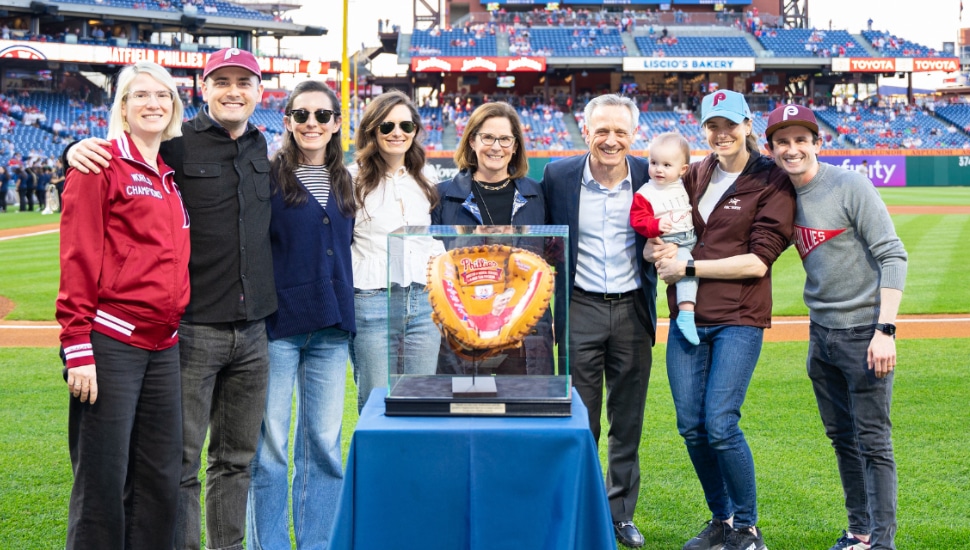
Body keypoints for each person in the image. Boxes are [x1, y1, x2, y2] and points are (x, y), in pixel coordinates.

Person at [65, 47, 276, 550]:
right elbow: (82, 246)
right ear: (203, 91)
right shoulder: (159, 152)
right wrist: (73, 149)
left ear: (258, 93)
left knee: (200, 465)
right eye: (220, 81)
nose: (233, 91)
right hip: (161, 333)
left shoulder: (252, 147)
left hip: (211, 336)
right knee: (143, 469)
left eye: (243, 82)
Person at [648, 90, 795, 550]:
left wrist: (687, 268)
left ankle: (748, 529)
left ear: (748, 125)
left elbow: (758, 261)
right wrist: (657, 246)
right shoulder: (696, 172)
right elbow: (668, 226)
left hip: (738, 316)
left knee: (720, 422)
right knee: (690, 424)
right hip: (688, 316)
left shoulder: (772, 180)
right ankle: (722, 520)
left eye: (730, 124)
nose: (721, 134)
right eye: (713, 126)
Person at [57, 60, 189, 550]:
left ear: (174, 106)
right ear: (123, 108)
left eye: (162, 95)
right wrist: (77, 346)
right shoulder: (100, 164)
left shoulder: (169, 177)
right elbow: (77, 257)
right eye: (140, 95)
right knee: (101, 480)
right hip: (112, 342)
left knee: (158, 482)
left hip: (165, 346)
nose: (152, 103)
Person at [765, 104, 906, 550]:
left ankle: (882, 543)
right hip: (820, 334)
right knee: (842, 439)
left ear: (817, 143)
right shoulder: (780, 195)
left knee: (873, 442)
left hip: (864, 332)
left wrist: (885, 330)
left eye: (801, 139)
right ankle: (859, 531)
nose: (793, 149)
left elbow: (893, 255)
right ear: (771, 149)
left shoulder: (850, 185)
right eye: (783, 142)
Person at [541, 93, 657, 549]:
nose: (611, 140)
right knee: (579, 420)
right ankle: (580, 510)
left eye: (620, 132)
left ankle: (619, 515)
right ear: (585, 131)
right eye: (602, 130)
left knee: (627, 421)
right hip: (580, 305)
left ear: (634, 135)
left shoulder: (651, 175)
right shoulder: (559, 175)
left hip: (632, 309)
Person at [246, 81, 355, 549]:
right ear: (288, 120)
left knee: (325, 448)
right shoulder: (265, 176)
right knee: (268, 451)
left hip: (331, 331)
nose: (313, 123)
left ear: (335, 123)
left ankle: (316, 544)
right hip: (279, 329)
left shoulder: (349, 179)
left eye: (323, 115)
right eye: (302, 114)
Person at [432, 100, 551, 376]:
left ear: (515, 146)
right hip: (462, 333)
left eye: (505, 139)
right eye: (487, 137)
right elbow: (436, 266)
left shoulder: (538, 195)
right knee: (465, 414)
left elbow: (553, 255)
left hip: (525, 330)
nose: (496, 147)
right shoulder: (442, 196)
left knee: (526, 413)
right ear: (472, 141)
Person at [349, 90, 442, 412]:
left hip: (423, 303)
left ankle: (415, 465)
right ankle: (378, 465)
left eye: (406, 125)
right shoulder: (351, 178)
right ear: (372, 130)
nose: (397, 133)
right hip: (371, 301)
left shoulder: (426, 176)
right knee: (375, 404)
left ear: (415, 130)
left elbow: (431, 238)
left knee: (420, 402)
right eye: (387, 126)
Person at [630, 132, 698, 345]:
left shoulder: (683, 185)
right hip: (673, 243)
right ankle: (686, 314)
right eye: (654, 162)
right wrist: (655, 225)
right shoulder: (646, 192)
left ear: (683, 169)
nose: (659, 169)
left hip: (693, 237)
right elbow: (637, 218)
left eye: (667, 165)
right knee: (688, 270)